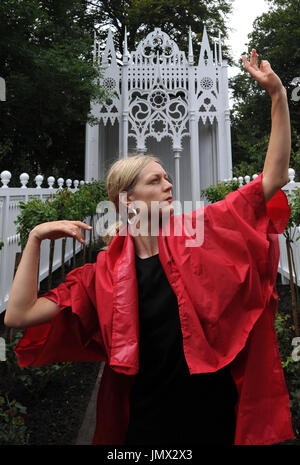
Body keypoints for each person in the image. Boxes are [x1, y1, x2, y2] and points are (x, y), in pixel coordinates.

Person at [4, 50, 295, 445]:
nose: (169, 186)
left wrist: (278, 95)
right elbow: (19, 314)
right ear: (126, 199)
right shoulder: (99, 275)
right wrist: (36, 236)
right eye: (155, 181)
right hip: (146, 421)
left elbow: (272, 179)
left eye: (168, 178)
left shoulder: (201, 229)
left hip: (213, 411)